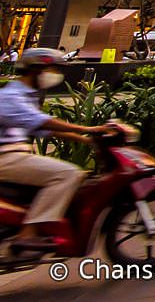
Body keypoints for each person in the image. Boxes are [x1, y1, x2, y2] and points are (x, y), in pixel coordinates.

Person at [0, 49, 116, 252]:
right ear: (37, 70)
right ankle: (28, 234)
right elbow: (43, 122)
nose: (55, 74)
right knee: (68, 174)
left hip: (14, 155)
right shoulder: (11, 96)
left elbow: (44, 130)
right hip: (6, 157)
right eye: (52, 69)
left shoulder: (26, 96)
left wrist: (86, 139)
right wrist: (87, 129)